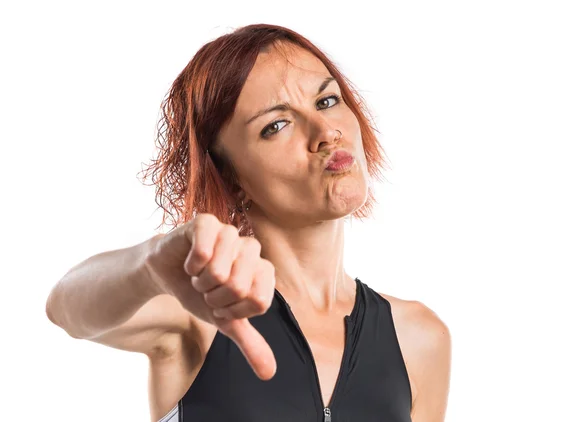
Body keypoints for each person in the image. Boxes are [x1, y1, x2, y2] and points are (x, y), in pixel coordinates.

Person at [46, 23, 451, 422]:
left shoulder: (418, 338)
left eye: (327, 101)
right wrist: (151, 263)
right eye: (276, 126)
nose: (327, 132)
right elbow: (66, 307)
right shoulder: (200, 310)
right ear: (231, 178)